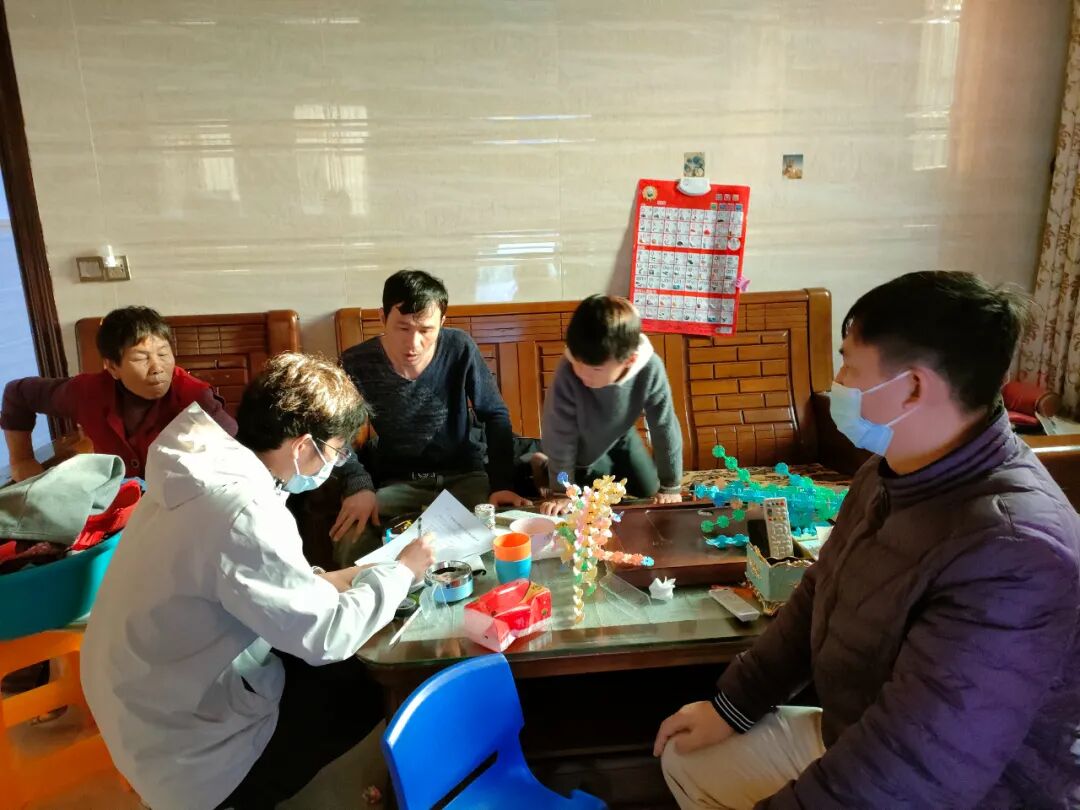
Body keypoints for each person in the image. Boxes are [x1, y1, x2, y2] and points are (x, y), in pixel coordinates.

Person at [654, 272, 1080, 809]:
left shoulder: (1015, 551)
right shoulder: (887, 474)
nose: (838, 383)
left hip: (979, 792)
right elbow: (819, 591)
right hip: (862, 733)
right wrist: (733, 706)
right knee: (690, 754)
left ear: (914, 388)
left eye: (851, 366)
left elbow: (914, 770)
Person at [81, 353, 435, 810]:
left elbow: (247, 580)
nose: (337, 462)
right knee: (368, 683)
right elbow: (326, 635)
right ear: (303, 447)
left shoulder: (205, 468)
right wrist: (403, 572)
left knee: (336, 651)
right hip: (187, 752)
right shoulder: (243, 510)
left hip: (143, 699)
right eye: (337, 451)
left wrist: (348, 577)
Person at [331, 269, 530, 565]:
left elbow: (495, 415)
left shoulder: (459, 347)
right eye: (403, 328)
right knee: (349, 542)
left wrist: (502, 482)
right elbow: (333, 432)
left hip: (464, 477)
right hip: (398, 483)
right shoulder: (356, 362)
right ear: (382, 317)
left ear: (442, 322)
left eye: (426, 330)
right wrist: (357, 484)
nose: (413, 343)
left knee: (499, 542)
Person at [1, 305, 235, 481]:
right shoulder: (87, 392)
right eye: (141, 358)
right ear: (112, 367)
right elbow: (17, 394)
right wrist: (22, 459)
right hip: (117, 502)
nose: (157, 367)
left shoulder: (195, 397)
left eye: (163, 354)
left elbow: (237, 455)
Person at [538, 295, 683, 515]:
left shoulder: (650, 368)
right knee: (589, 497)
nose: (583, 374)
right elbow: (560, 437)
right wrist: (562, 492)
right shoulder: (567, 371)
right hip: (581, 449)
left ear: (629, 360)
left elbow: (664, 426)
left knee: (649, 489)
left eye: (596, 369)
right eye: (577, 362)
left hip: (621, 436)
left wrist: (670, 486)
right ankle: (542, 464)